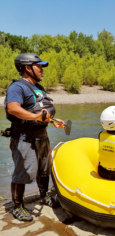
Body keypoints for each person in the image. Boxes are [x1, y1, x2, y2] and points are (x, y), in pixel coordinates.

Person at [4, 53, 65, 222]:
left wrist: (53, 121)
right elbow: (13, 109)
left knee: (44, 169)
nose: (42, 70)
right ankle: (17, 206)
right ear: (27, 68)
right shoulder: (17, 87)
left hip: (42, 136)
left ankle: (44, 196)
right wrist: (37, 117)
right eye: (39, 66)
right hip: (24, 138)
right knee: (24, 172)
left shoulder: (39, 87)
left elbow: (40, 110)